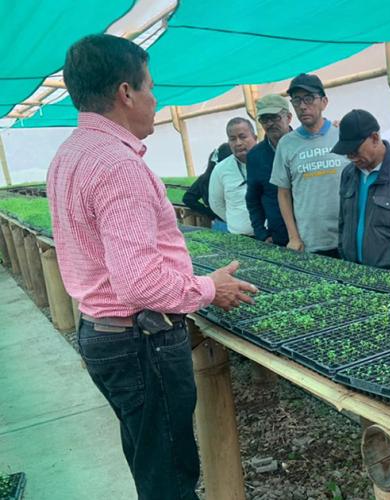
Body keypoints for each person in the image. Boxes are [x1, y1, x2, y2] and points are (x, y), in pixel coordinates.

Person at [47, 34, 256, 499]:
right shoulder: (118, 166)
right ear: (126, 93)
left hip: (104, 335)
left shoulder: (69, 154)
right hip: (140, 341)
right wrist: (207, 289)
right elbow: (138, 282)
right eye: (150, 87)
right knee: (170, 474)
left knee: (148, 454)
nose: (155, 99)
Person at [334, 109, 390, 271]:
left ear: (375, 138)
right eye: (347, 153)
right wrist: (344, 253)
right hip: (354, 270)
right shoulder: (348, 174)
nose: (352, 157)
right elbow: (343, 222)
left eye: (355, 151)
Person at [270, 73, 348, 256]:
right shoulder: (286, 144)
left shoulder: (341, 134)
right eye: (296, 100)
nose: (303, 106)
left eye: (309, 98)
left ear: (324, 102)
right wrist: (293, 236)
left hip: (347, 237)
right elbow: (283, 193)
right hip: (310, 241)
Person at [246, 94, 292, 245]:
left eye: (275, 117)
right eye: (265, 119)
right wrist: (262, 233)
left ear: (289, 117)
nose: (270, 123)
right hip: (280, 235)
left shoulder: (303, 145)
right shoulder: (255, 156)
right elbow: (253, 199)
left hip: (311, 232)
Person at [208, 117, 258, 235]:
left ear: (255, 138)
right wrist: (235, 221)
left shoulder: (269, 161)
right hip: (239, 237)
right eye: (233, 139)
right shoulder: (221, 170)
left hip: (273, 235)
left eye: (243, 137)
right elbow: (216, 204)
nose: (238, 143)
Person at [183, 143, 232, 227]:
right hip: (232, 221)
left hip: (218, 221)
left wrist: (208, 212)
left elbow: (188, 198)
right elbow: (188, 198)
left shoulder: (204, 178)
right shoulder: (228, 177)